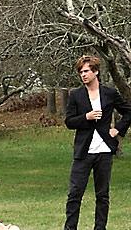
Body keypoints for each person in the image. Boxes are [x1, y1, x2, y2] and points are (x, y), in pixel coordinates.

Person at [63, 55, 131, 230]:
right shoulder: (76, 95)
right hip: (83, 152)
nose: (83, 75)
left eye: (86, 71)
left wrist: (118, 130)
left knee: (102, 195)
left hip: (104, 151)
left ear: (96, 72)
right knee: (74, 194)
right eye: (80, 72)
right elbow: (69, 121)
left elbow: (128, 112)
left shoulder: (109, 93)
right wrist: (86, 117)